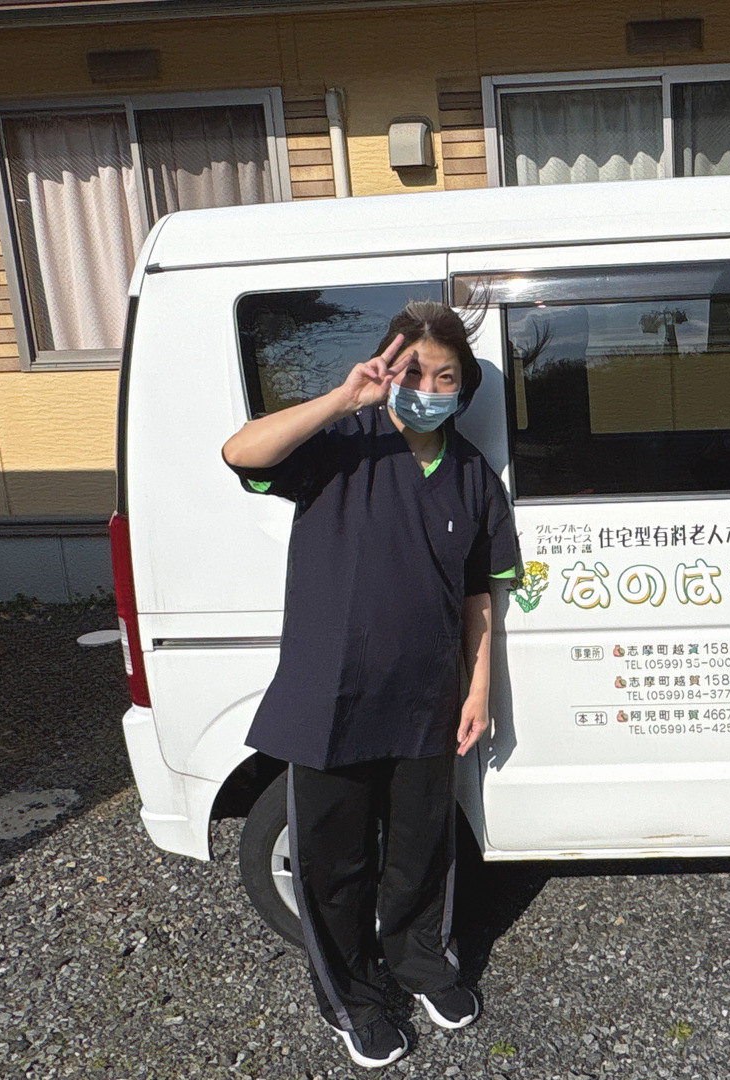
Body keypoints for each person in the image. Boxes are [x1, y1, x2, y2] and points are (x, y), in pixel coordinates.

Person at [222, 301, 520, 1069]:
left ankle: (422, 964)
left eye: (445, 377)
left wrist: (478, 688)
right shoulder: (341, 445)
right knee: (335, 861)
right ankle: (351, 998)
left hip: (426, 698)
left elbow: (480, 595)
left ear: (464, 387)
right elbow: (240, 452)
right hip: (332, 699)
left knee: (422, 848)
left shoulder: (472, 477)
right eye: (413, 373)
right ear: (386, 374)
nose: (428, 389)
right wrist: (339, 399)